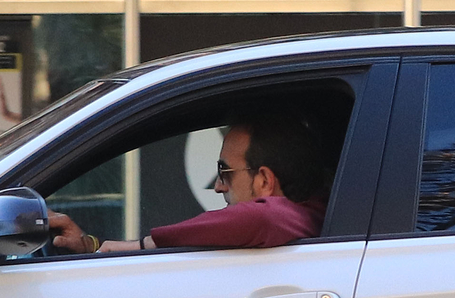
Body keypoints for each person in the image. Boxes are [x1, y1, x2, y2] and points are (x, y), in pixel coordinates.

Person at [48, 104, 334, 255]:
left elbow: (260, 218)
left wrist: (139, 246)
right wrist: (93, 247)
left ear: (264, 181)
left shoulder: (288, 217)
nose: (218, 185)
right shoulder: (320, 215)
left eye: (226, 172)